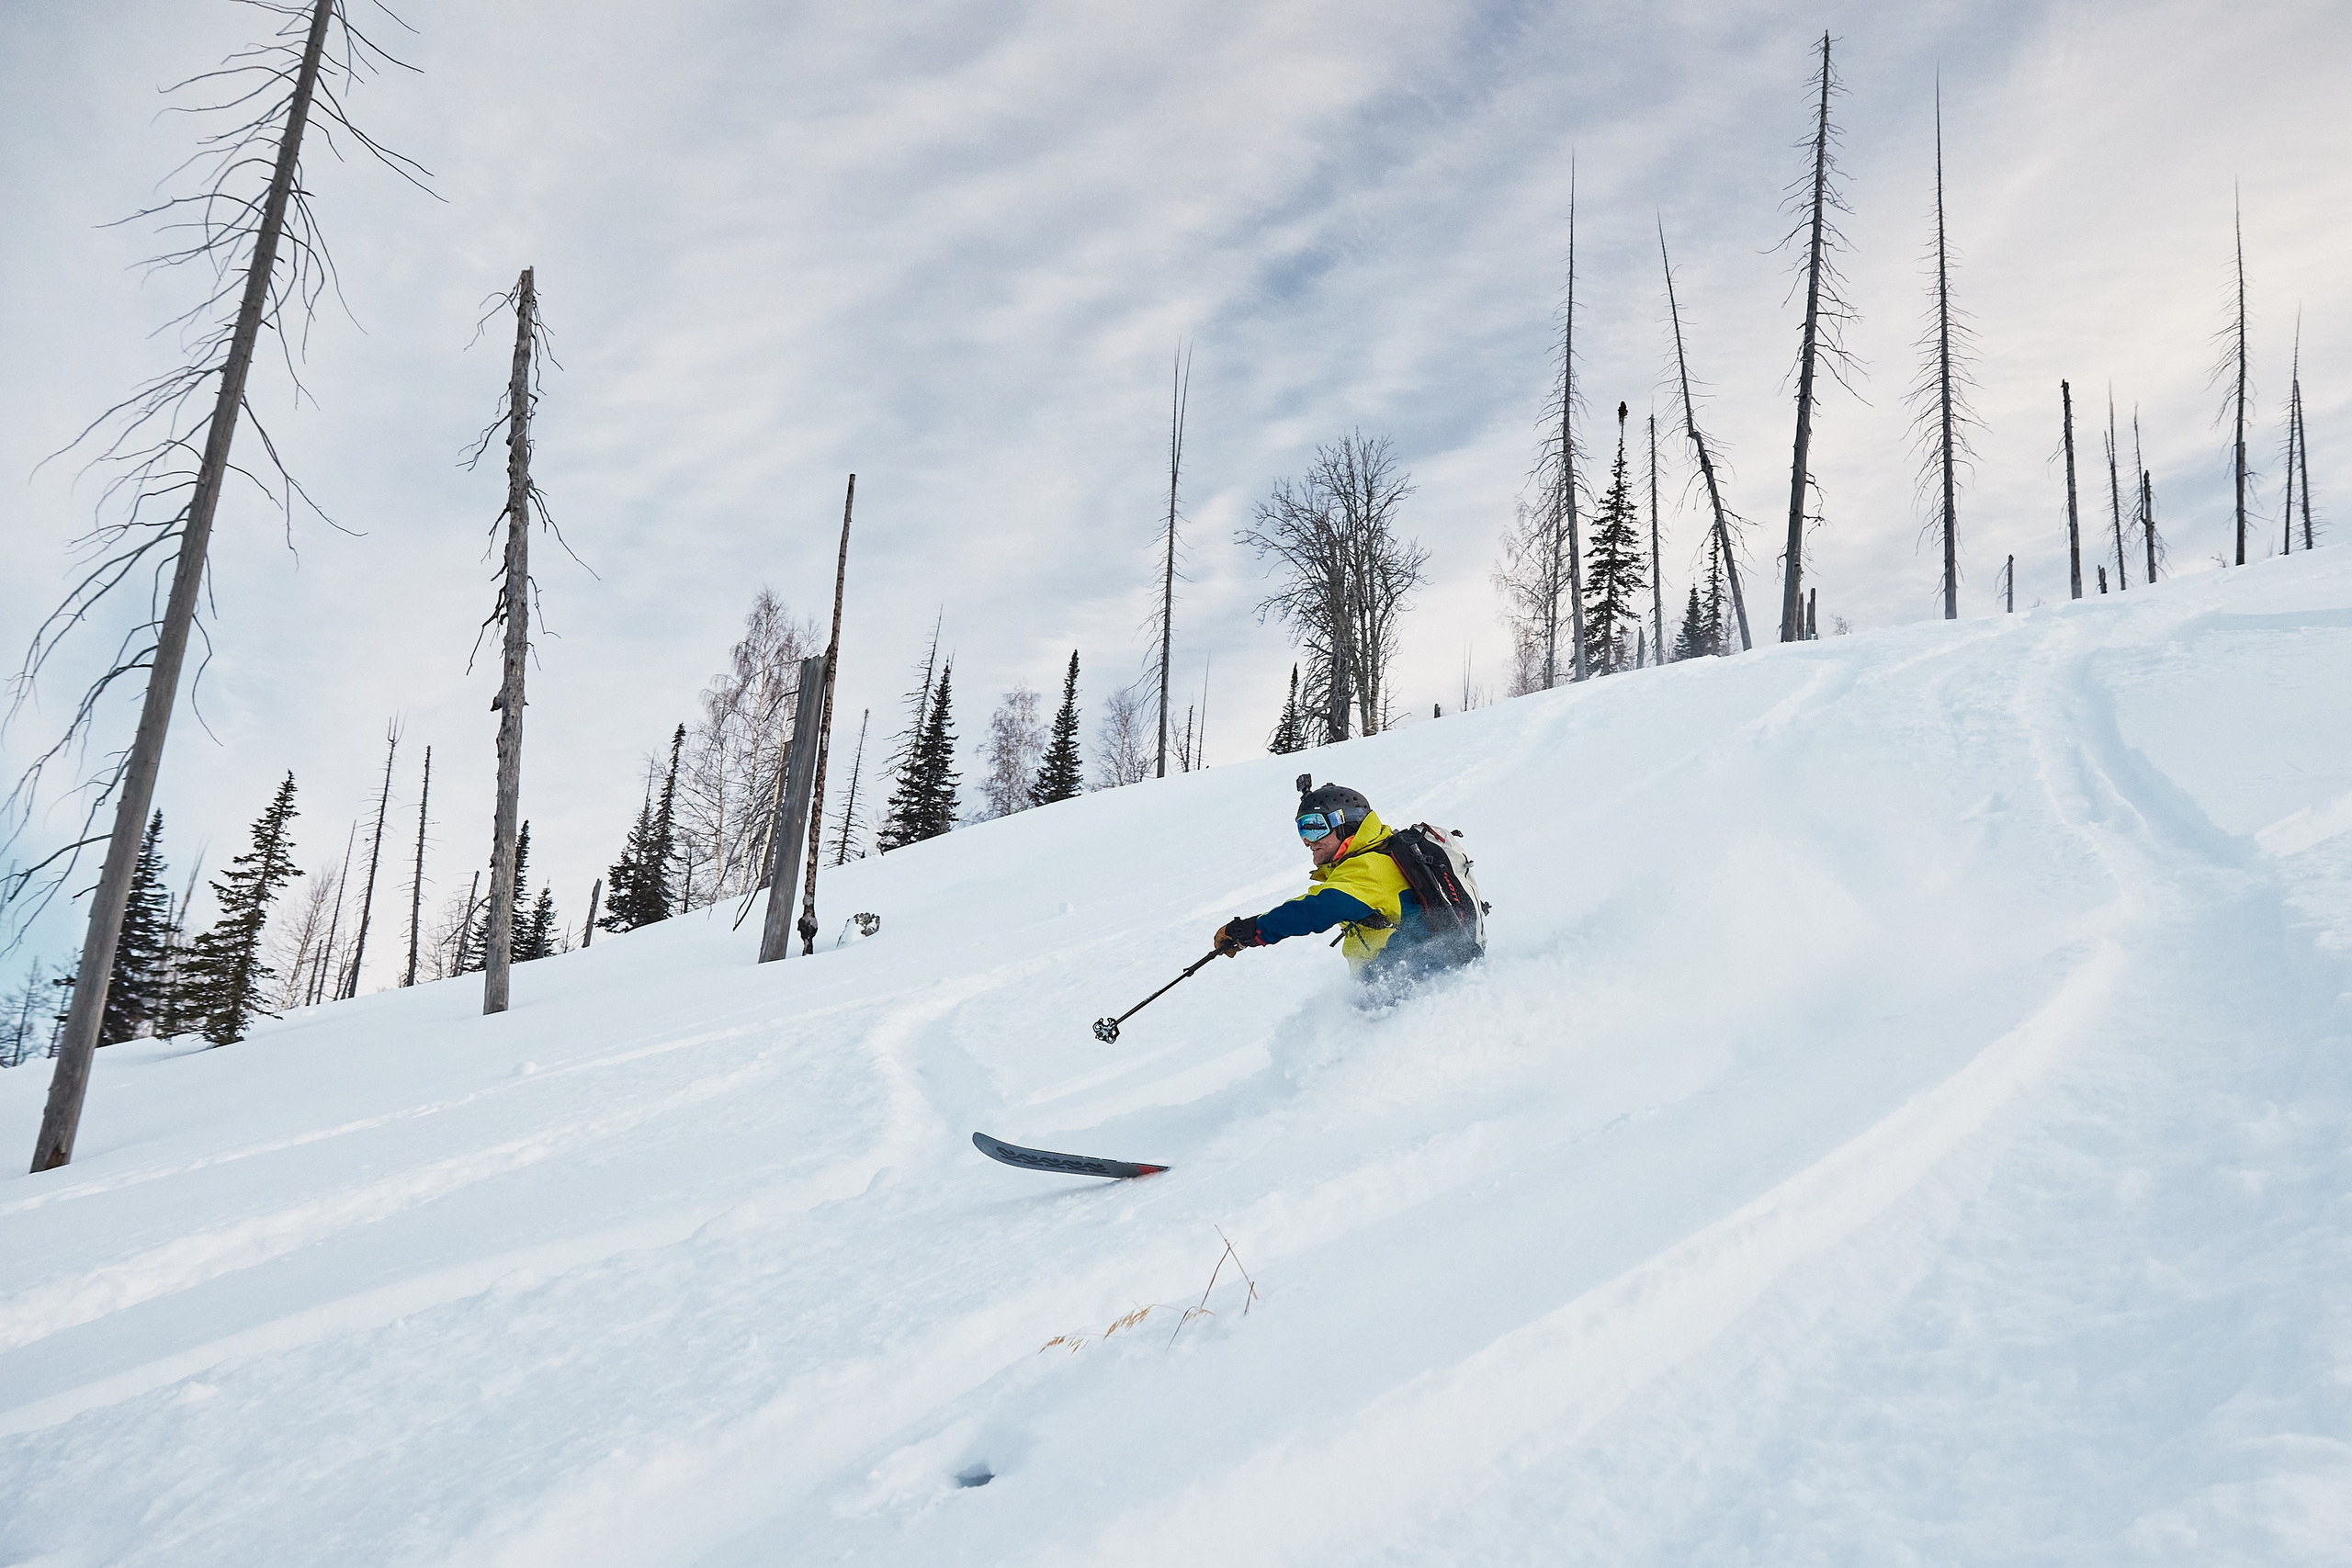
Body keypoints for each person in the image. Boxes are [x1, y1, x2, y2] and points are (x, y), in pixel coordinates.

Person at [1213, 778, 1443, 991]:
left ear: (1346, 825)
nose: (1307, 840)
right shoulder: (1367, 862)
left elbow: (1317, 909)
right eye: (1302, 829)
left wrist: (1254, 929)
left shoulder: (1370, 867)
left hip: (1406, 978)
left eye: (1315, 828)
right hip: (1403, 975)